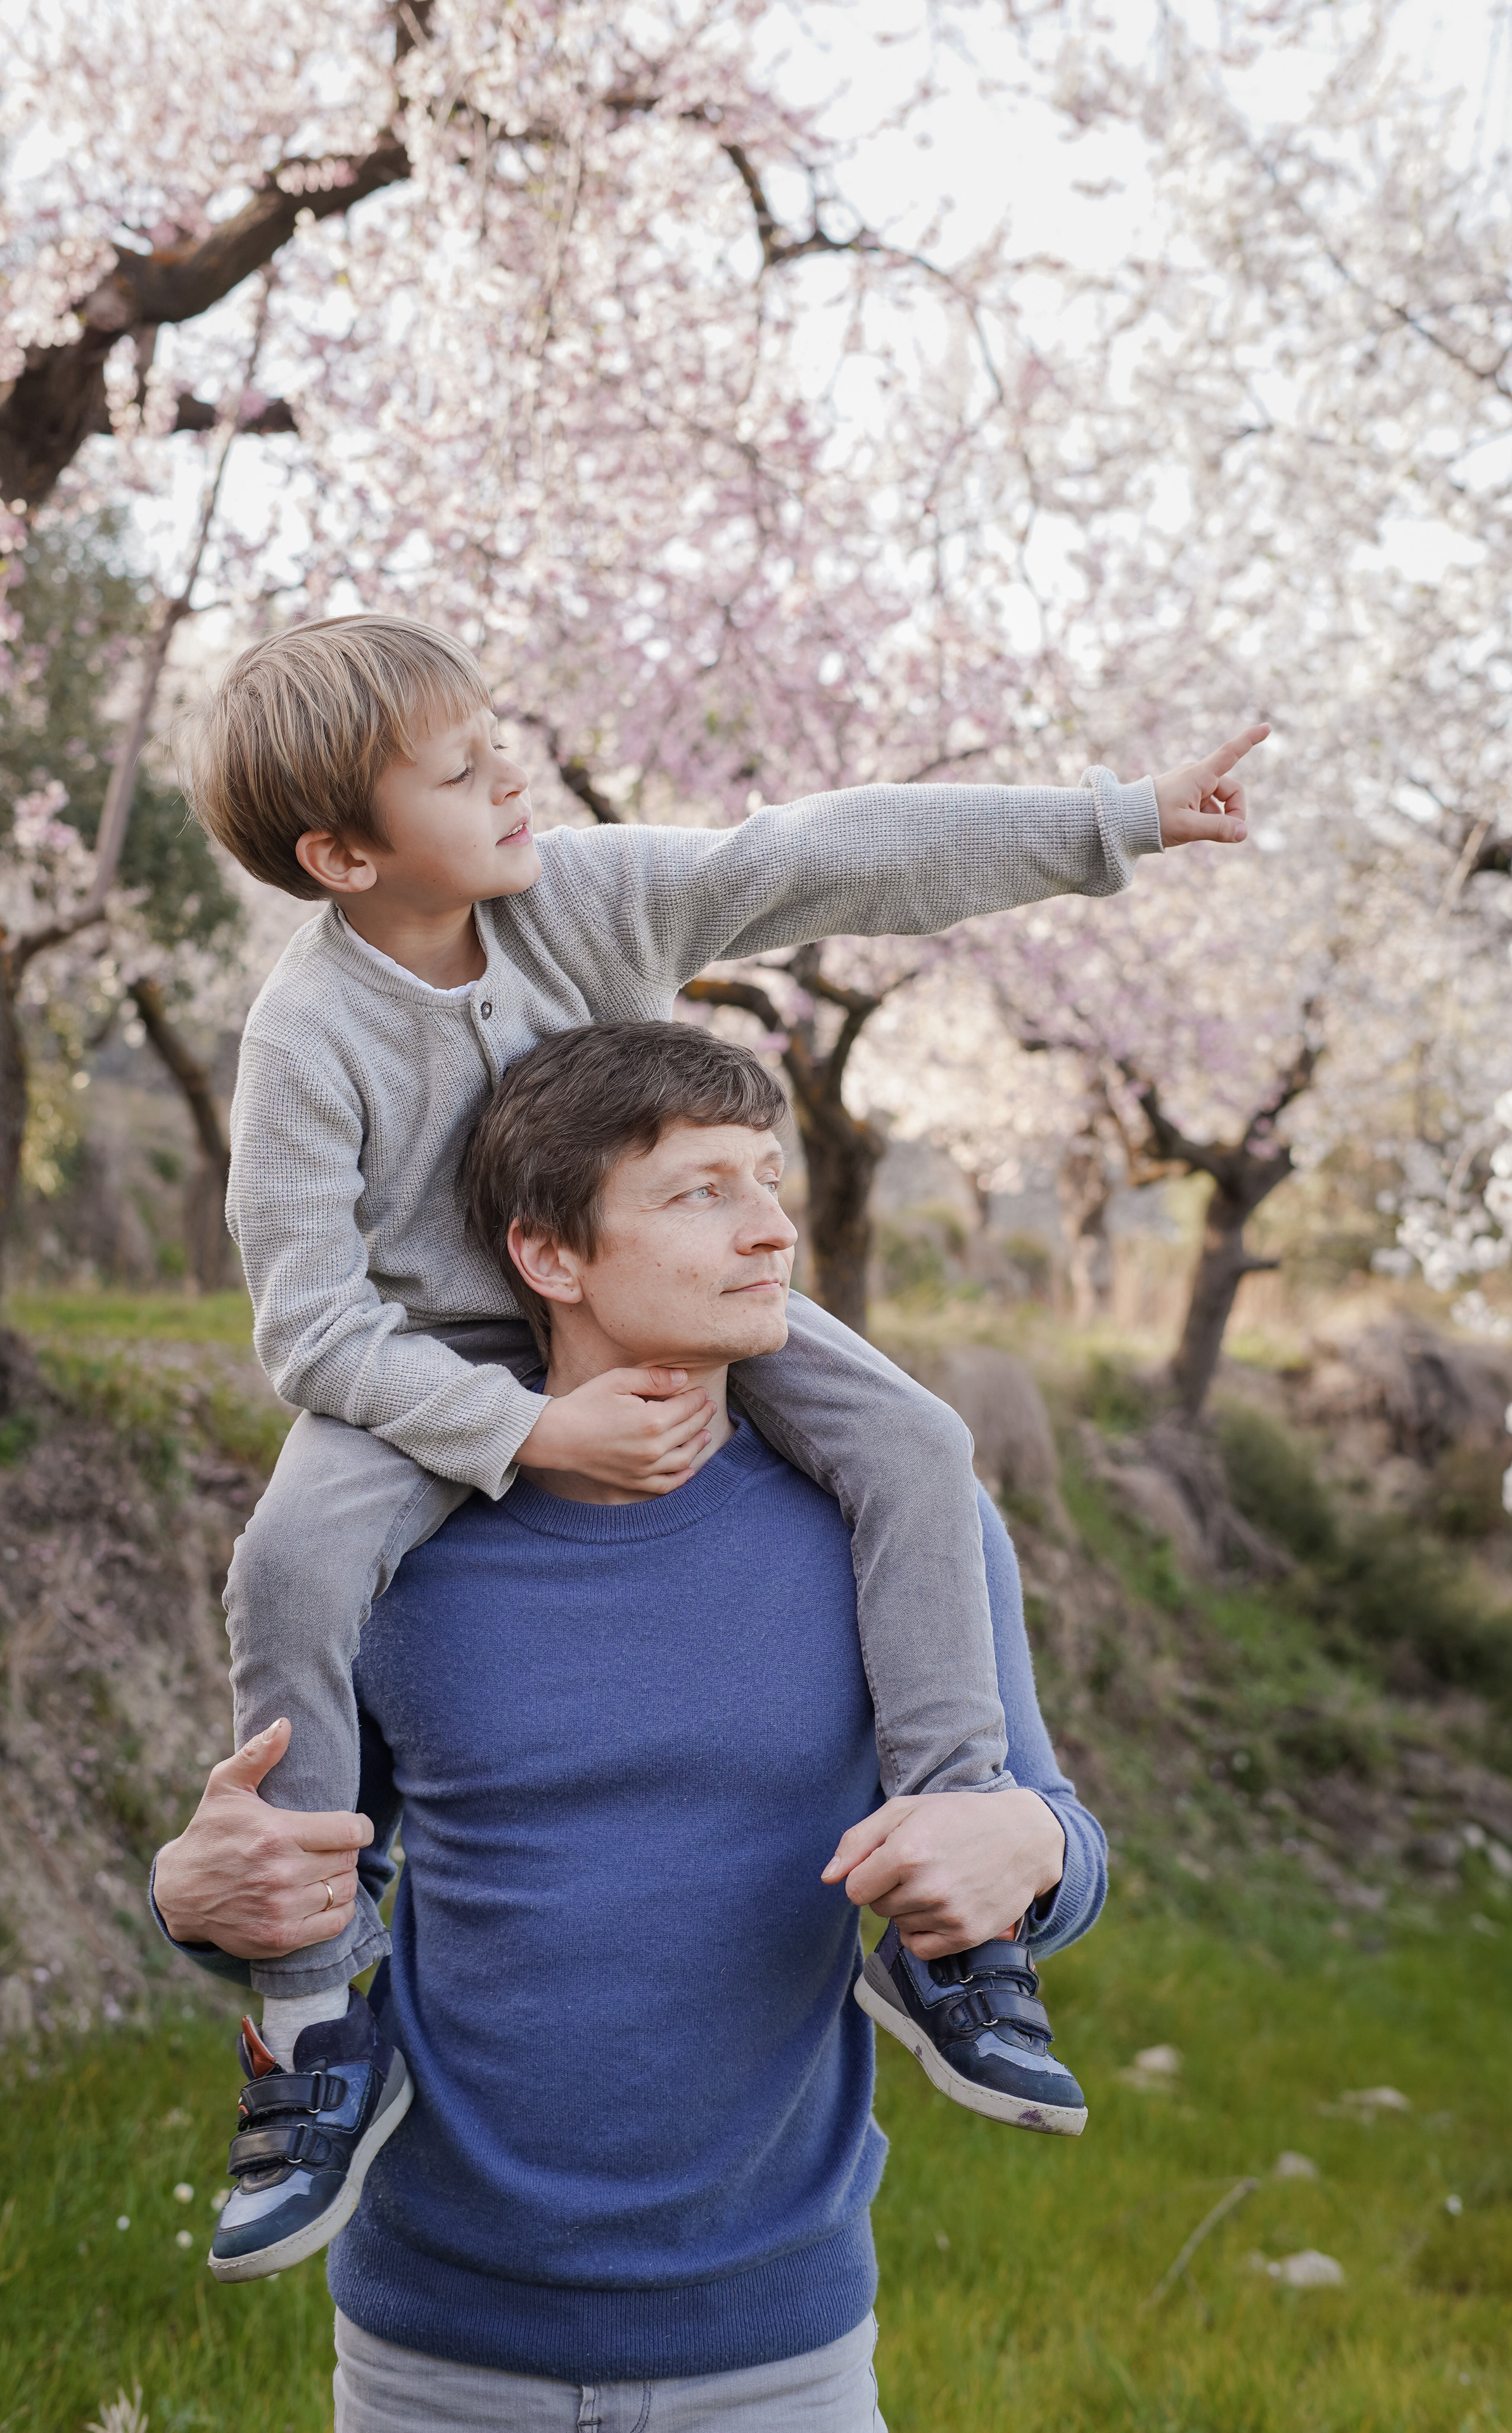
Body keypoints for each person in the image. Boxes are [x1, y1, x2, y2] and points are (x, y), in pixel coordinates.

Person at [175, 611, 1259, 2274]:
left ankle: (954, 1916)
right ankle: (310, 2022)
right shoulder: (308, 1036)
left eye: (499, 735)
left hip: (663, 1296)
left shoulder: (587, 895)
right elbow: (308, 1328)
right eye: (462, 772)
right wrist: (527, 1429)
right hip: (427, 1366)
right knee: (293, 1559)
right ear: (342, 851)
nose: (512, 774)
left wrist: (1114, 820)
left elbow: (820, 855)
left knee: (913, 1441)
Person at [151, 1024, 1109, 2430]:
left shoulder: (899, 1517)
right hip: (432, 2354)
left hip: (779, 2353)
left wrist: (1021, 1844)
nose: (770, 1228)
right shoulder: (391, 1547)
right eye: (697, 1192)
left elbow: (1056, 1840)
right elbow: (303, 1877)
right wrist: (190, 1896)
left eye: (767, 1182)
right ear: (550, 1256)